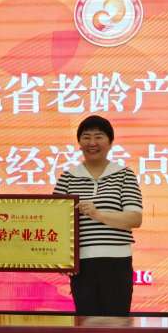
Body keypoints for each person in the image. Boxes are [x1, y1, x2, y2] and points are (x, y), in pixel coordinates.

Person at [54, 115, 143, 316]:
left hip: (117, 262)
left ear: (110, 142)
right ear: (79, 143)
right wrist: (62, 258)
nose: (92, 143)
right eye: (86, 137)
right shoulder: (68, 177)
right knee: (87, 324)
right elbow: (56, 223)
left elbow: (135, 218)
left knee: (116, 324)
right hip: (82, 264)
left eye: (99, 136)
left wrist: (98, 215)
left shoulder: (124, 174)